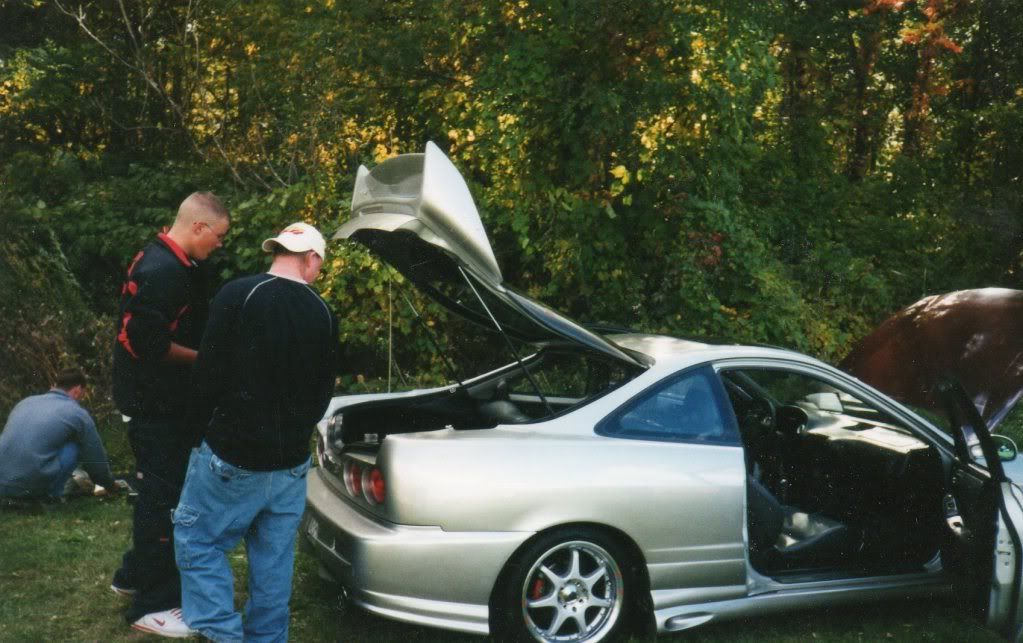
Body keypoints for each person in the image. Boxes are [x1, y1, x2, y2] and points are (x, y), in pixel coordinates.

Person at [173, 222, 338, 642]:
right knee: (273, 566)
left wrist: (193, 436)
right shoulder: (323, 313)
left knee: (199, 542)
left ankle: (224, 635)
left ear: (277, 251)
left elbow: (207, 374)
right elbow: (323, 393)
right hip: (290, 467)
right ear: (312, 260)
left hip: (232, 455)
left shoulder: (238, 293)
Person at [111, 191, 230, 637]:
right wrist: (208, 361)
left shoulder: (164, 258)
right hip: (153, 406)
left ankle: (131, 575)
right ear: (198, 227)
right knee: (162, 502)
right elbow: (148, 345)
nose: (218, 245)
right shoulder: (163, 271)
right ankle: (153, 606)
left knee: (162, 493)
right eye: (217, 236)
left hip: (161, 403)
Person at [0, 369, 120, 500]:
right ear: (78, 389)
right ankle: (51, 494)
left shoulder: (25, 402)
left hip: (2, 484)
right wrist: (110, 485)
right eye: (83, 394)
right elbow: (95, 460)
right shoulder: (77, 413)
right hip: (28, 489)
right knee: (75, 445)